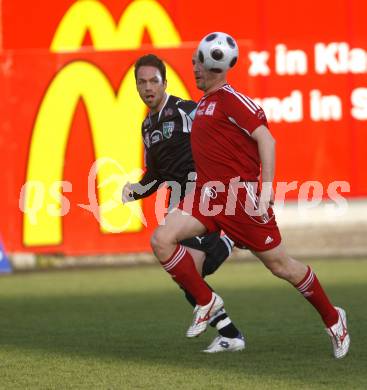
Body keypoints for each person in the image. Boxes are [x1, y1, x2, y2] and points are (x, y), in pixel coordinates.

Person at [150, 36, 350, 359]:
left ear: (217, 67)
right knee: (162, 240)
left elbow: (266, 140)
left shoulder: (231, 100)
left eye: (198, 64)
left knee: (282, 266)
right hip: (208, 197)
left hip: (239, 201)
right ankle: (207, 302)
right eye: (194, 63)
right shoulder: (203, 104)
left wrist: (267, 189)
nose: (195, 69)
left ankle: (333, 318)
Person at [122, 54, 245, 352]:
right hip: (176, 203)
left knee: (190, 271)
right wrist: (135, 191)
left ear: (165, 83)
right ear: (136, 86)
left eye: (154, 80)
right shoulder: (147, 126)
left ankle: (229, 236)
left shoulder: (186, 110)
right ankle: (230, 334)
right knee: (187, 276)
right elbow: (156, 174)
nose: (148, 87)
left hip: (201, 196)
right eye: (142, 82)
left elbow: (224, 135)